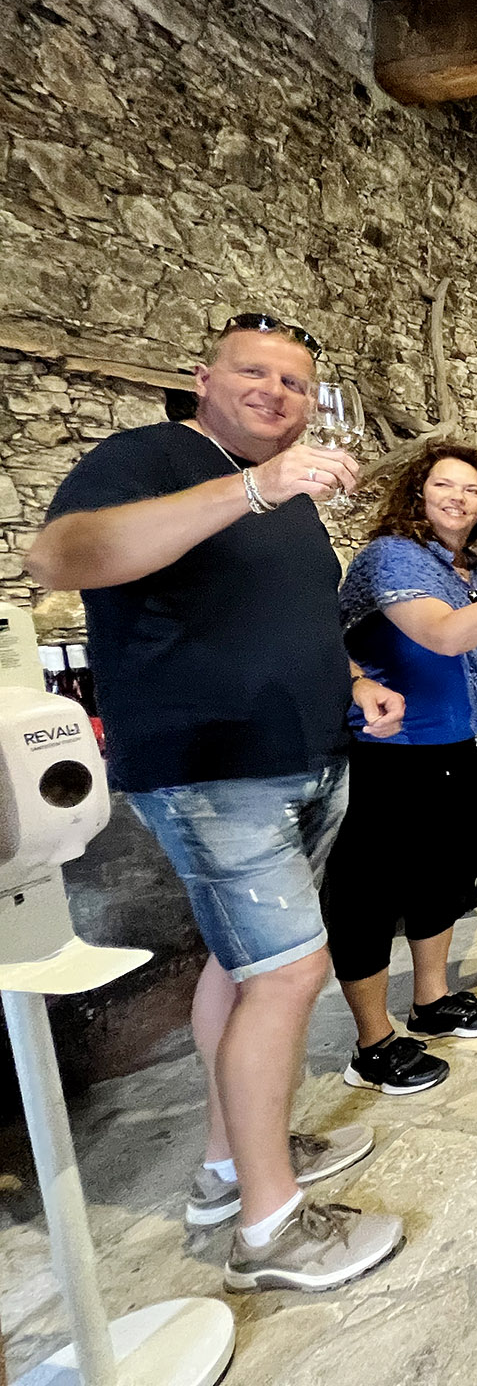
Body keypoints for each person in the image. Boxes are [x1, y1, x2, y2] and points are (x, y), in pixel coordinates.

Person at [26, 313, 402, 1291]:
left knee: (244, 968)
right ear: (203, 378)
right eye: (254, 373)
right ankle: (270, 1231)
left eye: (296, 382)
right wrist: (252, 487)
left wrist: (354, 678)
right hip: (211, 767)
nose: (277, 393)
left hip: (300, 757)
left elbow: (287, 615)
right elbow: (58, 557)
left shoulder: (286, 498)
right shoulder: (150, 458)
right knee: (289, 974)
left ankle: (232, 1162)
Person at [326, 445, 477, 1096]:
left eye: (472, 489)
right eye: (443, 484)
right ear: (418, 491)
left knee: (440, 881)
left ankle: (430, 1001)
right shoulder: (391, 557)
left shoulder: (476, 570)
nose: (458, 497)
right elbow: (445, 636)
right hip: (386, 748)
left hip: (453, 747)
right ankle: (372, 1044)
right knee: (370, 896)